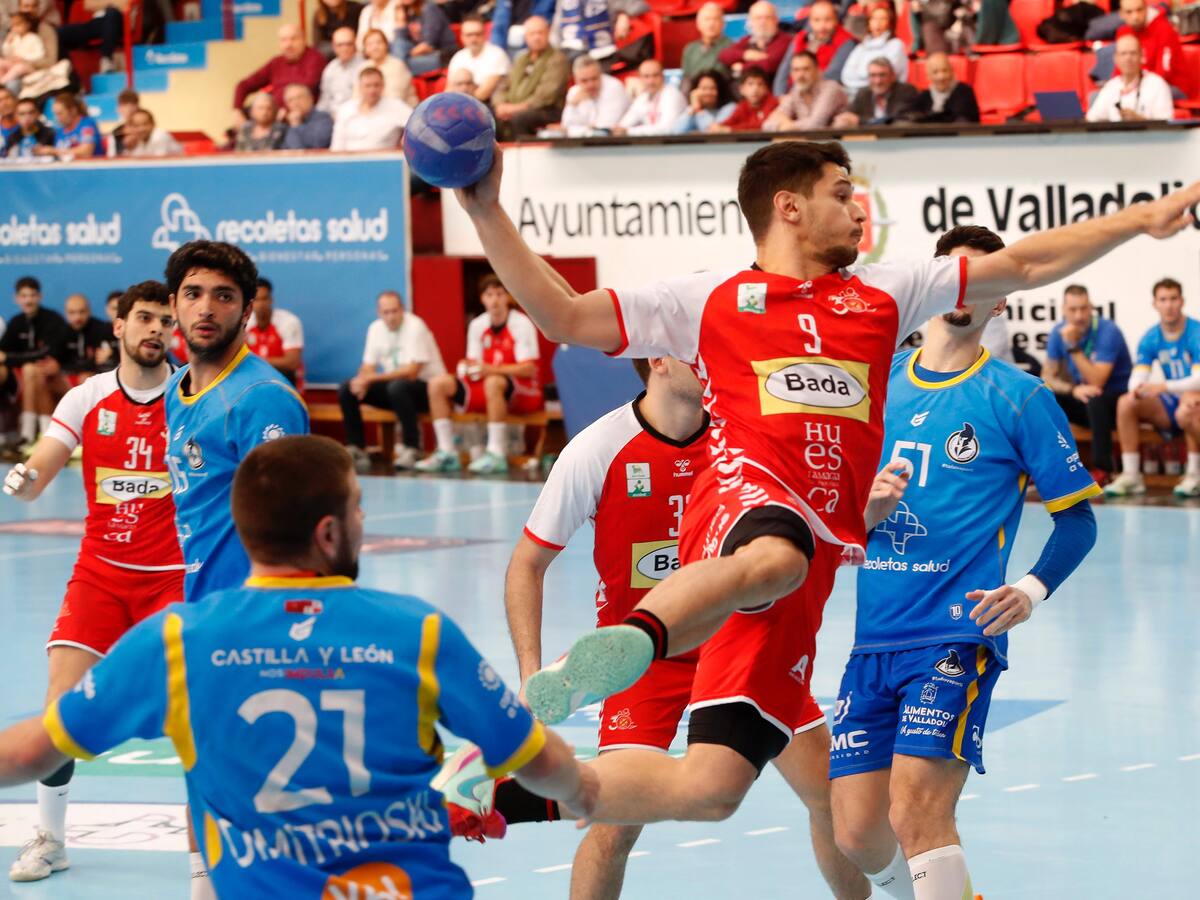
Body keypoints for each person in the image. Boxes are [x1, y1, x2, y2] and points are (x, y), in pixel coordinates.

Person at [449, 139, 1199, 838]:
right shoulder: (706, 299)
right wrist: (485, 210)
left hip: (811, 560)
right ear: (790, 207)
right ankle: (618, 652)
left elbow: (1028, 264)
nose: (858, 209)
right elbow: (563, 314)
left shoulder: (889, 291)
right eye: (842, 193)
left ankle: (492, 793)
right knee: (777, 555)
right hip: (742, 504)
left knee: (713, 787)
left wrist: (1142, 219)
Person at [0, 434, 595, 899]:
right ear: (329, 532)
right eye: (358, 508)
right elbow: (541, 762)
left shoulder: (177, 641)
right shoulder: (419, 631)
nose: (363, 521)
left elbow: (31, 753)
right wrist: (582, 792)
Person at [441, 356, 869, 898]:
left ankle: (499, 795)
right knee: (615, 825)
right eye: (692, 348)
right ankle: (496, 788)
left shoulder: (742, 438)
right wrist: (529, 674)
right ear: (659, 360)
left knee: (828, 793)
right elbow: (528, 564)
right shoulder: (597, 449)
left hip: (738, 643)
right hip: (640, 654)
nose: (709, 357)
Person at [829, 225, 1099, 900]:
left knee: (917, 812)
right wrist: (865, 511)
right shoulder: (877, 385)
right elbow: (836, 515)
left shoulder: (1019, 397)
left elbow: (1078, 521)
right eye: (956, 275)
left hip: (956, 632)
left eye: (985, 281)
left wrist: (1031, 589)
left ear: (1001, 300)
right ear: (933, 283)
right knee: (857, 834)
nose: (966, 291)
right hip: (874, 635)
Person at [2, 281, 184, 885]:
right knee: (61, 709)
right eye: (144, 318)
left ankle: (210, 848)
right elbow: (43, 465)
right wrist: (24, 480)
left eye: (164, 320)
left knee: (194, 714)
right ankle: (51, 839)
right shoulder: (87, 397)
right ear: (119, 327)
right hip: (100, 576)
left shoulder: (191, 395)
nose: (155, 329)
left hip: (173, 581)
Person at [164, 239, 309, 606]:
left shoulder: (262, 397)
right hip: (200, 598)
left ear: (246, 311)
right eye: (193, 294)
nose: (206, 309)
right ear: (173, 305)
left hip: (250, 608)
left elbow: (291, 526)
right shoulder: (175, 387)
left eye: (224, 296)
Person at [416, 275, 542, 475]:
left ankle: (496, 453)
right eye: (489, 295)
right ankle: (447, 452)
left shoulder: (521, 323)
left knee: (493, 382)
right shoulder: (477, 325)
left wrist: (490, 369)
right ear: (482, 298)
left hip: (523, 391)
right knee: (437, 384)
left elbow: (528, 369)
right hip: (488, 386)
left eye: (499, 294)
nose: (495, 300)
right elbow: (475, 364)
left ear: (508, 297)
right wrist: (467, 368)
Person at [1105, 278, 1200, 498]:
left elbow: (1198, 380)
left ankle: (1194, 474)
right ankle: (1131, 475)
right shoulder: (1151, 337)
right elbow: (1137, 378)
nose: (1169, 305)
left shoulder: (1195, 332)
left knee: (1189, 404)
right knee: (1127, 402)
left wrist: (1164, 387)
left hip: (1193, 401)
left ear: (1182, 301)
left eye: (1173, 299)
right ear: (1154, 304)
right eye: (1163, 299)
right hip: (1173, 402)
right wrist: (1138, 390)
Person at [338, 289, 445, 471]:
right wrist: (363, 380)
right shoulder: (375, 328)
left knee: (398, 387)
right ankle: (357, 447)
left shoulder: (416, 326)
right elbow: (368, 365)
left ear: (402, 309)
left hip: (427, 391)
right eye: (386, 312)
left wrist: (372, 378)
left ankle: (412, 447)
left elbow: (412, 372)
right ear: (379, 313)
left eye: (395, 311)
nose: (391, 317)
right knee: (347, 388)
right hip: (395, 391)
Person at [1043, 284, 1132, 483]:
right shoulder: (1058, 332)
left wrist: (1072, 346)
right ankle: (1048, 467)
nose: (1079, 316)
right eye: (1073, 309)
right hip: (1083, 396)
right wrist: (1073, 389)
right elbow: (1047, 377)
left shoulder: (1108, 331)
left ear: (1091, 307)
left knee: (1095, 398)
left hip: (1115, 404)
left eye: (1083, 309)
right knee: (1043, 397)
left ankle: (1103, 469)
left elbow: (1097, 381)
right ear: (1063, 310)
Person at [0, 276, 69, 447]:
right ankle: (21, 433)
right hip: (21, 378)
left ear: (39, 297)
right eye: (24, 296)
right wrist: (9, 358)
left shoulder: (52, 319)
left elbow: (47, 354)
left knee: (32, 369)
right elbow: (4, 352)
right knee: (23, 369)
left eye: (32, 295)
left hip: (53, 374)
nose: (28, 300)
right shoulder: (16, 322)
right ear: (16, 299)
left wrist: (10, 358)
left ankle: (31, 434)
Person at [491, 16, 567, 141]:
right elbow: (502, 86)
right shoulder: (520, 59)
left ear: (548, 33)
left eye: (540, 33)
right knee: (489, 116)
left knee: (521, 118)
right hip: (516, 107)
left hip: (547, 110)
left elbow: (546, 95)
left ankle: (523, 153)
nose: (536, 37)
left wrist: (515, 109)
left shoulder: (557, 59)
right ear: (526, 37)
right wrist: (500, 105)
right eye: (532, 34)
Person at [232, 24, 326, 122]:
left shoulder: (315, 59)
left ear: (303, 40)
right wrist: (236, 110)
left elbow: (304, 91)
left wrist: (283, 109)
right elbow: (243, 85)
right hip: (273, 114)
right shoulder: (276, 62)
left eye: (293, 39)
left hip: (301, 117)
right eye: (284, 40)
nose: (288, 45)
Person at [773, 0, 857, 95]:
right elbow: (785, 69)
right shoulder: (800, 38)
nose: (822, 26)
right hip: (795, 92)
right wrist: (779, 95)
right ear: (810, 21)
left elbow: (832, 75)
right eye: (817, 20)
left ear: (836, 20)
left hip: (825, 93)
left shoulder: (846, 42)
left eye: (828, 20)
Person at [1086, 33, 1174, 123]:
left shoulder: (1157, 85)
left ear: (1141, 56)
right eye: (1123, 54)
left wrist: (1139, 121)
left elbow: (1166, 126)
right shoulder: (1110, 87)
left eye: (1133, 53)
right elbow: (1091, 120)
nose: (1128, 58)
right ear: (1116, 58)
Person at [764, 50, 848, 132]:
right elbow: (767, 124)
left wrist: (788, 126)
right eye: (796, 70)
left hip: (839, 140)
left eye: (806, 69)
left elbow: (816, 124)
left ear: (817, 70)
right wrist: (787, 125)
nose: (800, 75)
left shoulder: (831, 88)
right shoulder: (795, 91)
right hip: (810, 139)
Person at [330, 66, 411, 150]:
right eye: (368, 86)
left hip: (383, 157)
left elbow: (416, 126)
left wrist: (407, 140)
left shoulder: (396, 107)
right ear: (360, 87)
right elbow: (337, 145)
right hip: (347, 157)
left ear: (383, 86)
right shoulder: (346, 109)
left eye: (376, 85)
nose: (372, 90)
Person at [245, 277, 305, 388]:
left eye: (264, 299)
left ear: (271, 299)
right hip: (253, 378)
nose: (261, 304)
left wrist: (254, 361)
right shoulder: (244, 323)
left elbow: (292, 363)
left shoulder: (289, 322)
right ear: (250, 302)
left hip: (283, 378)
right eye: (256, 300)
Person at [548, 54, 629, 136]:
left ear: (600, 74)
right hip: (585, 141)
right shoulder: (574, 92)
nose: (590, 85)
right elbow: (565, 127)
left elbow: (604, 129)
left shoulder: (614, 87)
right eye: (584, 81)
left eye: (594, 78)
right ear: (576, 80)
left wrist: (579, 129)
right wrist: (573, 104)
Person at [1113, 0, 1184, 94]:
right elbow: (1120, 69)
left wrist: (1134, 89)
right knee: (1101, 95)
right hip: (1137, 87)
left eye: (1139, 10)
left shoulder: (1164, 29)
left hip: (1171, 87)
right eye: (1129, 12)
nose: (1135, 16)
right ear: (1121, 14)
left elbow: (1163, 73)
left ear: (1146, 9)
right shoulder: (1123, 32)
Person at [839, 2, 908, 93]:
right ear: (869, 22)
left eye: (883, 19)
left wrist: (861, 75)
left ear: (890, 23)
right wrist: (868, 78)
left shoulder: (896, 45)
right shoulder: (861, 47)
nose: (878, 23)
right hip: (856, 93)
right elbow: (846, 76)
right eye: (874, 18)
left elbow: (885, 76)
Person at [833, 57, 919, 128]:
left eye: (882, 75)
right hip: (869, 141)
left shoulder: (906, 91)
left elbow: (894, 120)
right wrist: (844, 119)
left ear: (893, 76)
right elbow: (849, 113)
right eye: (873, 75)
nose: (878, 81)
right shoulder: (864, 93)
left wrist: (861, 121)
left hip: (899, 140)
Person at [717, 0, 790, 82]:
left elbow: (770, 64)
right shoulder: (748, 39)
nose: (763, 22)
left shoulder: (785, 40)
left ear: (776, 20)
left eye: (767, 18)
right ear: (750, 21)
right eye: (758, 18)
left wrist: (742, 67)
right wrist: (746, 54)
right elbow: (724, 55)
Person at [613, 58, 687, 136]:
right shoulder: (643, 98)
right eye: (646, 76)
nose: (651, 81)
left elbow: (667, 129)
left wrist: (629, 131)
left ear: (663, 76)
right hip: (656, 142)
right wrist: (618, 129)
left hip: (677, 142)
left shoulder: (672, 95)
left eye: (655, 75)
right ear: (640, 78)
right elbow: (624, 124)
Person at [448, 14, 510, 104]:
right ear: (462, 37)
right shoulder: (458, 57)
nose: (473, 39)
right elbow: (449, 89)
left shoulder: (497, 54)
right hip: (462, 104)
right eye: (469, 35)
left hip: (488, 105)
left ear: (485, 34)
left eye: (478, 34)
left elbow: (483, 93)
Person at [393, 0, 458, 76]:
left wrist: (406, 56)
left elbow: (428, 45)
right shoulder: (409, 12)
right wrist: (401, 19)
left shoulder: (429, 9)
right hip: (421, 55)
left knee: (401, 66)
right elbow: (401, 40)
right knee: (397, 45)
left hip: (442, 56)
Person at [912, 52, 978, 124]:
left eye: (945, 70)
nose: (941, 77)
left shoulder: (964, 92)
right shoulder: (923, 97)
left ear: (952, 71)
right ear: (928, 76)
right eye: (935, 72)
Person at [359, 26, 418, 106]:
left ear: (386, 45)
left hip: (400, 109)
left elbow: (396, 97)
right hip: (371, 110)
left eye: (379, 42)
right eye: (370, 44)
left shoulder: (397, 65)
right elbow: (357, 97)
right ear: (365, 49)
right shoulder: (363, 67)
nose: (375, 47)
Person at [680, 1, 732, 91]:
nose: (711, 24)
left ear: (723, 23)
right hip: (695, 94)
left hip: (721, 94)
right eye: (707, 19)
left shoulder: (732, 47)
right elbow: (686, 80)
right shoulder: (690, 49)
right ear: (698, 24)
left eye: (715, 19)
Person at [710, 65, 778, 132]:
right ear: (741, 89)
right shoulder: (742, 106)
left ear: (766, 89)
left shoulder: (772, 102)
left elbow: (763, 125)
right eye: (750, 84)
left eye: (760, 84)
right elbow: (730, 121)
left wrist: (731, 129)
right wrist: (718, 126)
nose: (755, 89)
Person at [61, 293, 112, 381]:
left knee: (86, 378)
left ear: (89, 311)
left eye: (82, 312)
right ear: (65, 313)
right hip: (67, 376)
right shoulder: (60, 331)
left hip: (93, 376)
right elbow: (57, 361)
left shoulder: (102, 329)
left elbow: (101, 361)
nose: (77, 317)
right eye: (72, 312)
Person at [317, 26, 365, 117]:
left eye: (348, 44)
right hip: (331, 115)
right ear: (333, 47)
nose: (344, 48)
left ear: (355, 44)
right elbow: (324, 99)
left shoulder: (364, 67)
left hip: (355, 116)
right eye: (340, 45)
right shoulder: (330, 68)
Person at [39, 92, 102, 160]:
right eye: (55, 114)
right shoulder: (60, 131)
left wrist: (53, 151)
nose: (57, 118)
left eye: (60, 113)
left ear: (73, 111)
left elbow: (86, 151)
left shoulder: (87, 124)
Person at [672, 68, 736, 133]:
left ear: (720, 90)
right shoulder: (694, 108)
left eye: (712, 88)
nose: (708, 92)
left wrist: (699, 110)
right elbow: (676, 132)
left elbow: (714, 132)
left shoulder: (730, 108)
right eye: (703, 88)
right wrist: (693, 108)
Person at [281, 83, 334, 149]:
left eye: (299, 97)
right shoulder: (285, 122)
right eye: (290, 100)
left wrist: (296, 126)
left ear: (310, 98)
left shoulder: (323, 118)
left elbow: (317, 145)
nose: (295, 102)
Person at [488, 0, 553, 53]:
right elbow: (499, 27)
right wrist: (497, 51)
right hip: (507, 43)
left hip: (532, 44)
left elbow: (541, 24)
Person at [0, 12, 44, 85]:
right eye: (13, 25)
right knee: (1, 62)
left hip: (28, 65)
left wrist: (23, 58)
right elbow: (6, 53)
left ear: (27, 25)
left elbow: (39, 54)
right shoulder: (14, 38)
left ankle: (2, 82)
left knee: (19, 67)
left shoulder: (34, 38)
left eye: (18, 25)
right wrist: (7, 43)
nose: (15, 28)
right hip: (13, 64)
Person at [119, 107, 183, 157]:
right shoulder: (138, 140)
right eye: (137, 125)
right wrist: (130, 149)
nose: (141, 129)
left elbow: (158, 163)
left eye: (145, 124)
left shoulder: (160, 136)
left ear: (153, 124)